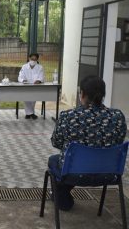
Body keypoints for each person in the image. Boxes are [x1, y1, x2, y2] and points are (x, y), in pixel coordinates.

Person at [48, 76, 127, 211]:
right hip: (108, 172)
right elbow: (118, 141)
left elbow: (56, 142)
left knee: (54, 160)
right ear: (103, 95)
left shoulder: (68, 116)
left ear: (82, 94)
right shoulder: (117, 116)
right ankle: (62, 195)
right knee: (69, 162)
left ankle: (62, 199)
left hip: (74, 172)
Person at [17, 53, 44, 119]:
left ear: (37, 60)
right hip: (26, 86)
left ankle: (29, 113)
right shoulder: (24, 66)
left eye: (35, 59)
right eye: (32, 59)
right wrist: (23, 80)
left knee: (33, 99)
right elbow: (20, 76)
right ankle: (30, 113)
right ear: (29, 58)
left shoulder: (40, 67)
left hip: (35, 87)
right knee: (26, 98)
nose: (33, 61)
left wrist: (39, 80)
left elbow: (41, 77)